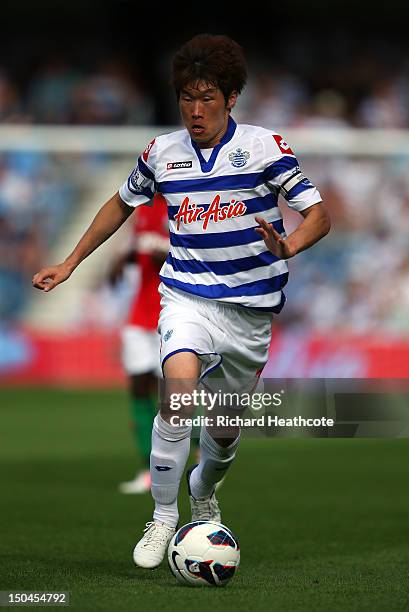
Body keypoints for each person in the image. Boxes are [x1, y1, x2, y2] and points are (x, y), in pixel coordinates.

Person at [33, 34, 330, 570]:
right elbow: (120, 204)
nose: (196, 111)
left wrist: (288, 245)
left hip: (251, 312)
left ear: (232, 96)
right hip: (187, 296)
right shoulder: (162, 152)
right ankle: (163, 515)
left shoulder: (266, 148)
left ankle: (204, 492)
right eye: (187, 99)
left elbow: (318, 215)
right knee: (177, 394)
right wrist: (71, 262)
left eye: (208, 98)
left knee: (221, 438)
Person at [116, 194, 169, 494]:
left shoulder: (187, 200)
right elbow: (141, 251)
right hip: (139, 316)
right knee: (138, 386)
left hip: (171, 313)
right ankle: (146, 468)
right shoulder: (144, 209)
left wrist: (158, 251)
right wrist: (125, 259)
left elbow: (190, 255)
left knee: (173, 395)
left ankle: (201, 454)